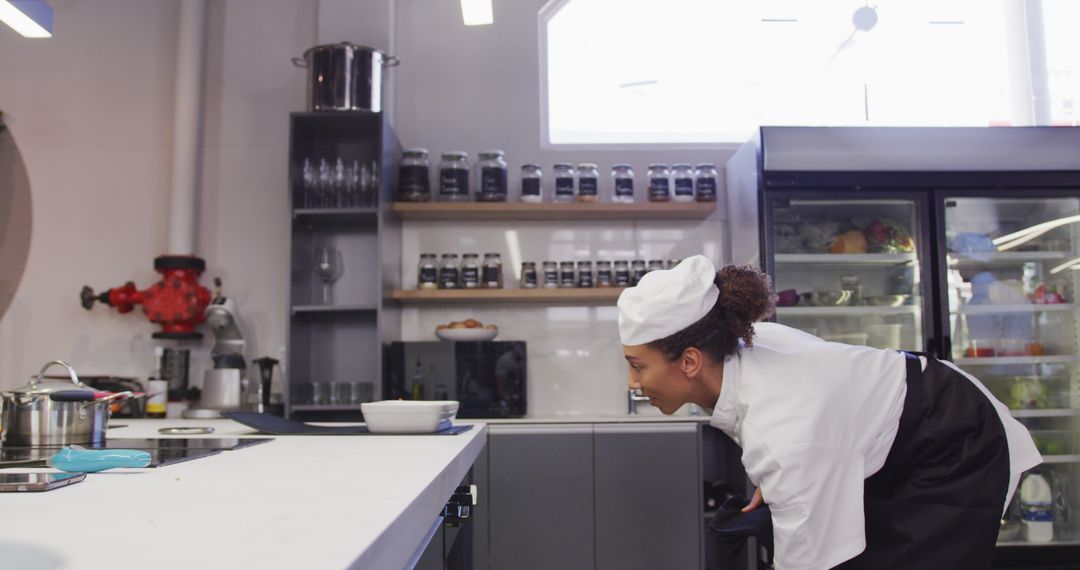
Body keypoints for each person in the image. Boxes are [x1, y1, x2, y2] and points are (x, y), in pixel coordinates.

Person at [617, 255, 1042, 570]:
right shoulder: (745, 351)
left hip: (957, 442)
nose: (633, 383)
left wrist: (793, 473)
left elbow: (808, 562)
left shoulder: (786, 435)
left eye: (638, 366)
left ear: (690, 362)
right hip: (897, 439)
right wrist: (788, 477)